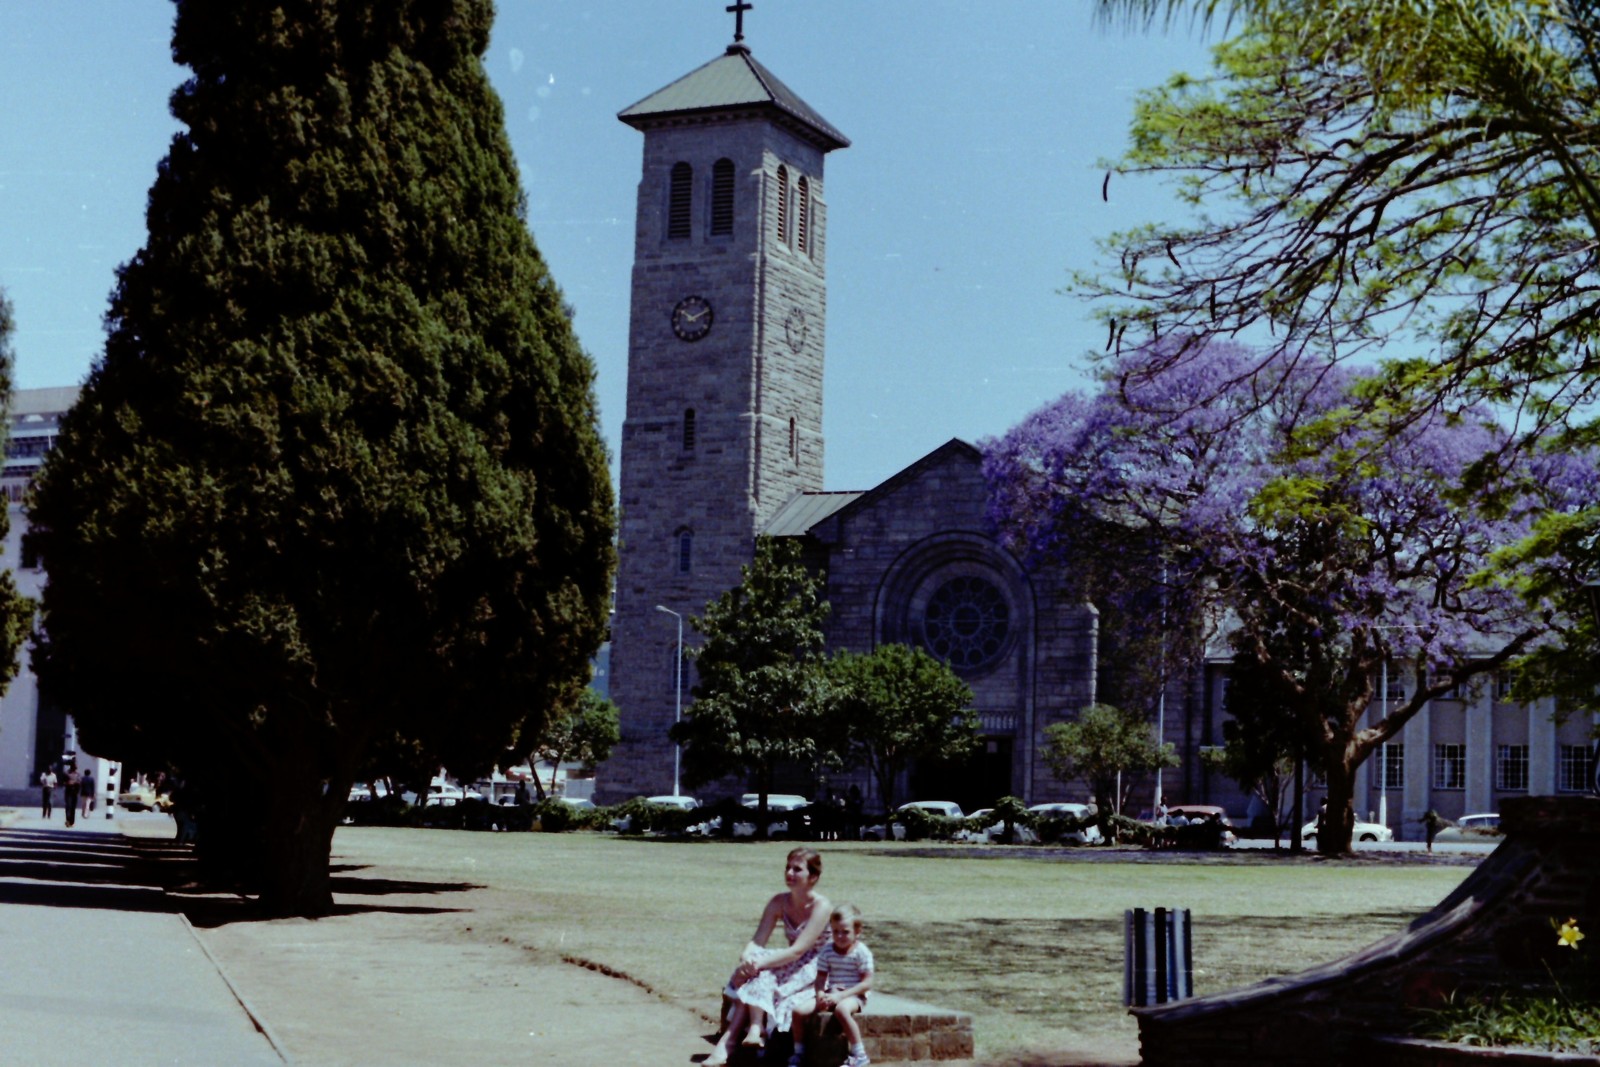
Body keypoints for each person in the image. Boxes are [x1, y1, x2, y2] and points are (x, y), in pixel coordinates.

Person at [703, 847, 831, 1067]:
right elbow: (758, 940)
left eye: (797, 869)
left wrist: (758, 962)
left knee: (762, 967)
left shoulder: (822, 906)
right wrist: (747, 958)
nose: (789, 873)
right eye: (787, 867)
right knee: (756, 965)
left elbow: (798, 950)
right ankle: (752, 1031)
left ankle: (732, 1042)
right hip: (792, 963)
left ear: (813, 877)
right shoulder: (778, 902)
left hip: (818, 967)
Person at [792, 903, 875, 1067]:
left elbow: (867, 983)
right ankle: (798, 1052)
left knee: (842, 1010)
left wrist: (841, 996)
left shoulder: (861, 952)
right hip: (832, 992)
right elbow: (821, 978)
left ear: (857, 932)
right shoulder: (827, 951)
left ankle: (859, 1054)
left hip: (854, 995)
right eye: (835, 931)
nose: (840, 936)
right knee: (798, 1011)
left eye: (845, 932)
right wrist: (820, 994)